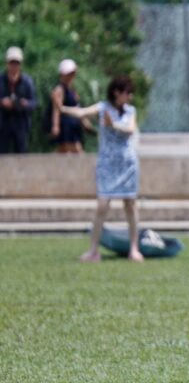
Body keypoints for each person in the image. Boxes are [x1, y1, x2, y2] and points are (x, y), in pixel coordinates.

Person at [59, 75, 143, 262]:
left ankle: (134, 248)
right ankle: (93, 250)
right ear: (116, 93)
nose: (129, 96)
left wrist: (113, 125)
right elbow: (82, 113)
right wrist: (62, 108)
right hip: (107, 163)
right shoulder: (103, 107)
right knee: (102, 205)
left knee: (130, 204)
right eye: (126, 92)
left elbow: (130, 129)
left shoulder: (130, 111)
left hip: (127, 163)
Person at [49, 59, 91, 153]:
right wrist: (55, 126)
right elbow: (57, 108)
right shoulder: (59, 89)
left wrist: (84, 120)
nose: (71, 76)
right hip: (65, 125)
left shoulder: (71, 89)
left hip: (73, 125)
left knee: (64, 152)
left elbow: (77, 107)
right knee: (76, 151)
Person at [0, 46, 37, 154]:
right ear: (7, 63)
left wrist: (25, 104)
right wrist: (2, 102)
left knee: (21, 153)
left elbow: (34, 102)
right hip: (3, 122)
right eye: (12, 63)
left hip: (21, 122)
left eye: (16, 63)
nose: (14, 66)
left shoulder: (27, 82)